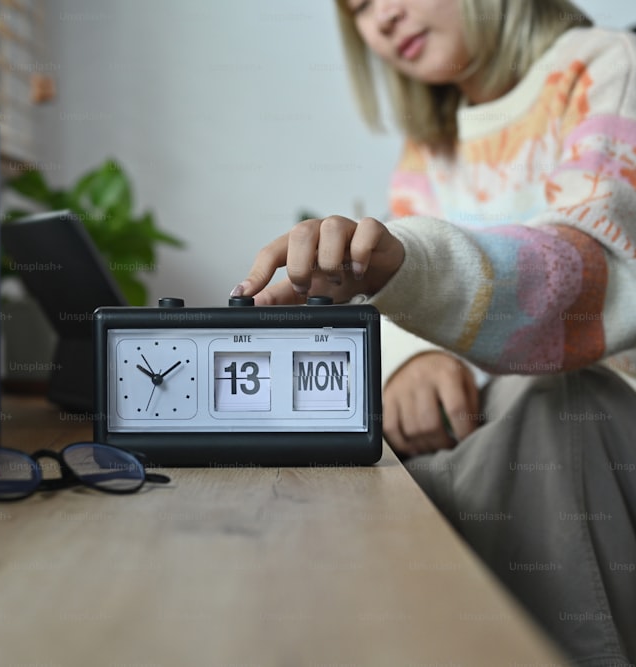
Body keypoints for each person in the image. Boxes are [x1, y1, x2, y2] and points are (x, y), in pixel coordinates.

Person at [234, 0, 636, 663]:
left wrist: (408, 269)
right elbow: (408, 306)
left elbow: (590, 275)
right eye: (359, 9)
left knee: (554, 403)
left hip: (599, 418)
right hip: (513, 425)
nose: (384, 18)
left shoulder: (607, 68)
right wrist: (409, 356)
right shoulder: (429, 148)